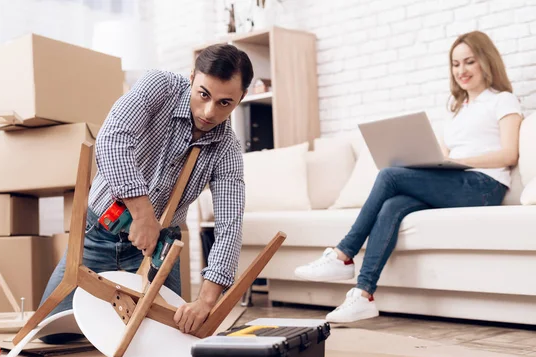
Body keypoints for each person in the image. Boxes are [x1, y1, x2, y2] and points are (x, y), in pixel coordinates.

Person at [294, 30, 523, 324]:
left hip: (484, 186)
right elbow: (448, 152)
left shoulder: (503, 100)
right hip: (457, 181)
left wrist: (459, 161)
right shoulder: (458, 109)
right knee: (392, 206)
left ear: (486, 61)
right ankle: (363, 296)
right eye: (455, 64)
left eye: (469, 62)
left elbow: (509, 154)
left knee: (389, 176)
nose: (461, 71)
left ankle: (343, 255)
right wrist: (435, 162)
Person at [39, 43, 253, 341]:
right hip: (99, 232)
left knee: (165, 337)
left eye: (225, 103)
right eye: (203, 94)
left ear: (242, 98)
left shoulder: (227, 150)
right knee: (52, 333)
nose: (209, 111)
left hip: (158, 250)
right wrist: (142, 214)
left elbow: (230, 224)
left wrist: (206, 301)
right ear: (192, 77)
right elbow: (111, 140)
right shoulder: (159, 86)